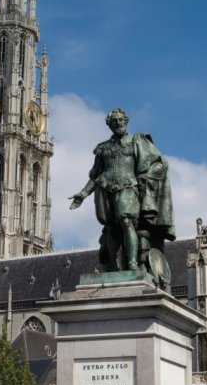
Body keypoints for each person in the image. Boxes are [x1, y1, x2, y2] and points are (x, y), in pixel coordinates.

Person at [69, 108, 175, 289]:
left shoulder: (136, 141)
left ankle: (133, 264)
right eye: (114, 121)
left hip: (128, 187)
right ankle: (116, 268)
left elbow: (160, 163)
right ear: (109, 125)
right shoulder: (103, 148)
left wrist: (146, 177)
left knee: (127, 222)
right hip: (105, 189)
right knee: (111, 228)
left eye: (121, 120)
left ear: (126, 121)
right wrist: (83, 193)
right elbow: (95, 175)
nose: (118, 124)